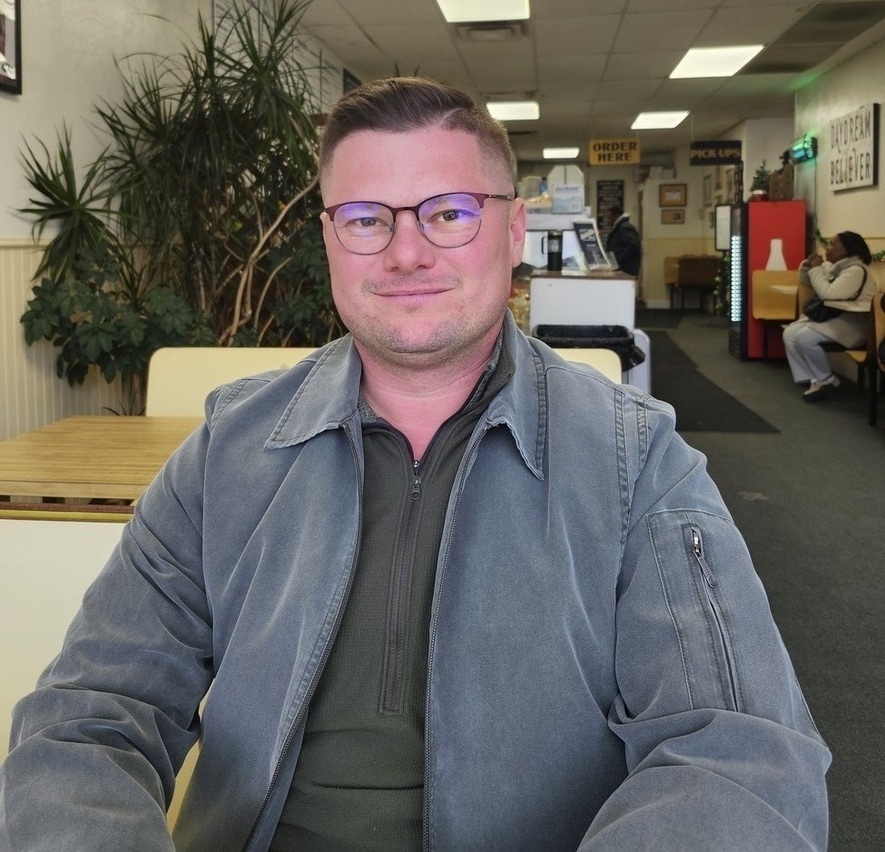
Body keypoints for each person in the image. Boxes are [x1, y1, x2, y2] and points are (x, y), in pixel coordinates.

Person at [1, 77, 830, 850]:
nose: (405, 253)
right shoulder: (230, 447)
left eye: (449, 213)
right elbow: (89, 714)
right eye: (366, 218)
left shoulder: (634, 459)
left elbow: (741, 755)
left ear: (513, 232)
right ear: (329, 239)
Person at [783, 231, 876, 401]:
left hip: (856, 325)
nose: (827, 248)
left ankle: (825, 380)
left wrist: (817, 269)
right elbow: (808, 280)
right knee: (789, 333)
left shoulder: (855, 271)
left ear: (846, 249)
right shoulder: (835, 268)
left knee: (805, 337)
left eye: (832, 244)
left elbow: (828, 293)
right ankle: (811, 377)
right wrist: (808, 266)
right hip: (838, 319)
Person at [604, 203, 642, 276]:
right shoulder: (621, 227)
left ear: (617, 216)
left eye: (610, 218)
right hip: (624, 268)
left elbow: (633, 246)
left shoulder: (624, 228)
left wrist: (617, 259)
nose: (608, 221)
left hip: (626, 269)